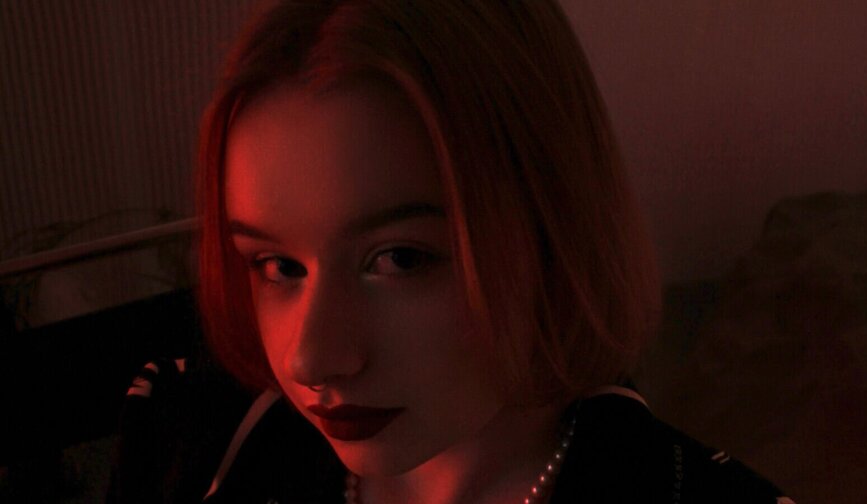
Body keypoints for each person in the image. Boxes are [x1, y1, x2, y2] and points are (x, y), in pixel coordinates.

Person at [108, 1, 794, 503]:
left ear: (553, 228)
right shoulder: (184, 432)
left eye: (400, 259)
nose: (310, 359)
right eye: (278, 266)